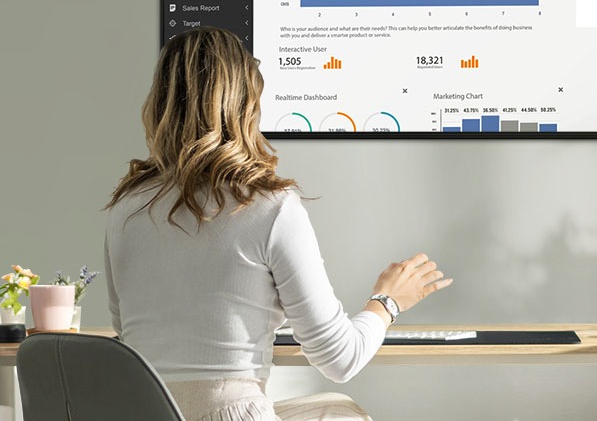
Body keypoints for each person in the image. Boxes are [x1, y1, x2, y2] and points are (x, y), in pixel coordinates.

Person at [104, 26, 452, 421]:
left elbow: (130, 329)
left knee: (335, 411)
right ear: (246, 104)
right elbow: (339, 359)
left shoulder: (125, 208)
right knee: (345, 414)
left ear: (160, 102)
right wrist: (388, 301)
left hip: (141, 413)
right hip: (231, 413)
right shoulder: (268, 208)